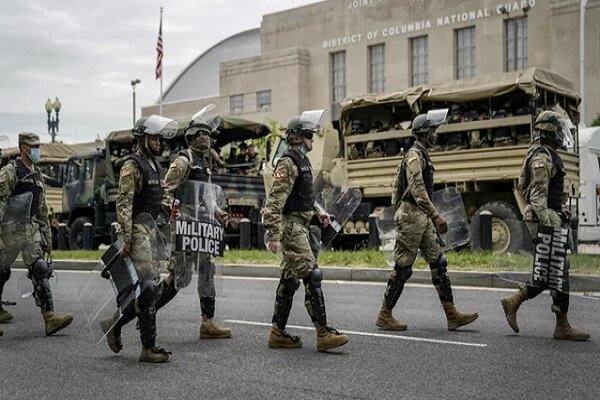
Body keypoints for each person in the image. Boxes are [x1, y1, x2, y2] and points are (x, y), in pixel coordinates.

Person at [376, 112, 479, 332]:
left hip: (420, 216)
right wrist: (435, 215)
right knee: (403, 268)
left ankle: (452, 315)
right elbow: (417, 189)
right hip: (414, 216)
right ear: (424, 132)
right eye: (433, 130)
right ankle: (385, 314)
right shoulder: (414, 156)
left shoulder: (422, 154)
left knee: (438, 263)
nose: (436, 134)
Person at [263, 111, 348, 352]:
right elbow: (274, 202)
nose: (313, 140)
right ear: (297, 138)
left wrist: (319, 211)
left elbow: (305, 196)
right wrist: (271, 235)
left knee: (289, 280)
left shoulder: (303, 162)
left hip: (302, 224)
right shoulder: (288, 163)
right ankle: (323, 333)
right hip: (291, 227)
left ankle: (277, 333)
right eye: (309, 135)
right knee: (312, 275)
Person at [501, 111, 589, 341]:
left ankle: (515, 302)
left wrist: (560, 211)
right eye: (558, 129)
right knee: (558, 269)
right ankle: (562, 325)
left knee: (550, 272)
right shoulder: (542, 157)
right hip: (544, 221)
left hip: (548, 217)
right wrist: (552, 228)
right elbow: (538, 200)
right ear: (549, 131)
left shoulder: (547, 154)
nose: (562, 133)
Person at [101, 115, 177, 363]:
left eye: (159, 138)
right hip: (136, 231)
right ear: (143, 138)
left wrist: (168, 209)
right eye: (153, 138)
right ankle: (148, 348)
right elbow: (124, 203)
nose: (158, 142)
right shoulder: (131, 165)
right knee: (149, 287)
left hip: (152, 232)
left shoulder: (155, 165)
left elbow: (159, 197)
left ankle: (115, 324)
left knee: (149, 292)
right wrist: (125, 238)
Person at [157, 106, 232, 340]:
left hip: (202, 226)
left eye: (208, 135)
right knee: (179, 277)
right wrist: (173, 208)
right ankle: (147, 311)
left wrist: (218, 212)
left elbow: (207, 195)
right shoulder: (183, 161)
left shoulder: (205, 164)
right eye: (200, 134)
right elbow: (165, 191)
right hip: (183, 225)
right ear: (190, 139)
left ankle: (207, 322)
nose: (205, 138)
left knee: (207, 268)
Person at [0, 133, 73, 336]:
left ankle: (50, 319)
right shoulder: (10, 172)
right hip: (9, 231)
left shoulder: (37, 174)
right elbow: (0, 202)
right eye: (34, 146)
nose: (38, 149)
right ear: (24, 147)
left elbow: (41, 208)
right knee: (1, 271)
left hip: (30, 230)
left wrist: (48, 238)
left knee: (40, 268)